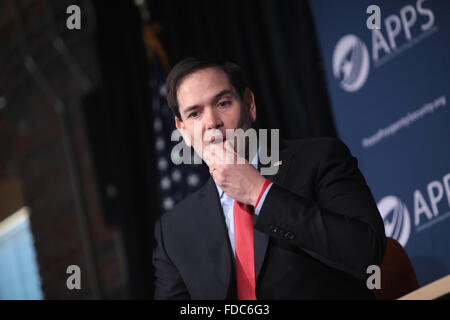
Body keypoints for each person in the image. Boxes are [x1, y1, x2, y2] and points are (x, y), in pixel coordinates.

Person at [152, 57, 386, 300]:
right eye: (195, 114)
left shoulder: (319, 159)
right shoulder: (173, 231)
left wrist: (260, 193)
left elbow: (367, 253)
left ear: (249, 104)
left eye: (222, 103)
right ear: (183, 131)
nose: (212, 122)